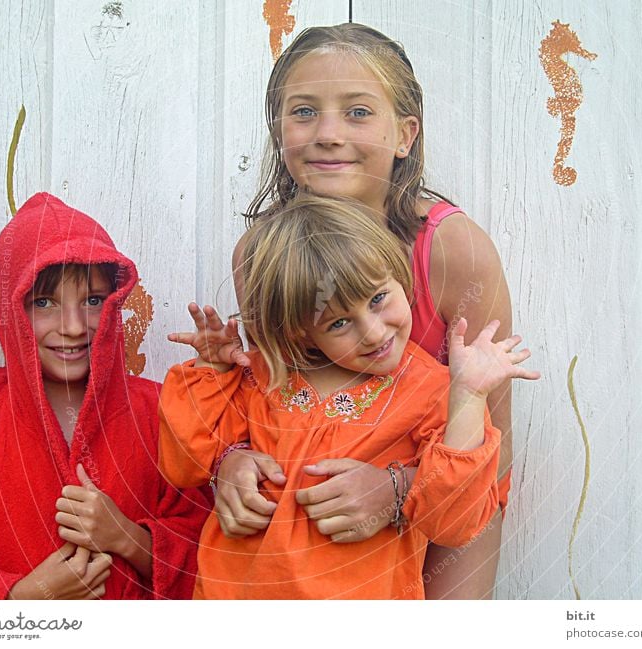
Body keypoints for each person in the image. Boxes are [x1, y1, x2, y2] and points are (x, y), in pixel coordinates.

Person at [215, 23, 517, 599]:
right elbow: (261, 404)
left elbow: (493, 451)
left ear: (405, 135)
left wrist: (399, 491)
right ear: (279, 131)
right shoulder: (260, 259)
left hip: (442, 526)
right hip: (299, 557)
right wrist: (228, 464)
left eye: (357, 112)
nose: (328, 134)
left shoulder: (451, 252)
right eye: (304, 112)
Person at [158, 195, 537, 599]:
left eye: (378, 299)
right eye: (339, 323)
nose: (374, 333)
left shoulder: (431, 392)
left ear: (400, 277)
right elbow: (184, 464)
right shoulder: (263, 375)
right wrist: (213, 373)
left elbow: (453, 521)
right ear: (301, 332)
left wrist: (469, 396)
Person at [0, 192, 209, 599]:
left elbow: (214, 558)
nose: (73, 326)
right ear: (11, 308)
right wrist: (23, 597)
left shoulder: (162, 412)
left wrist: (126, 537)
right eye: (44, 302)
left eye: (92, 301)